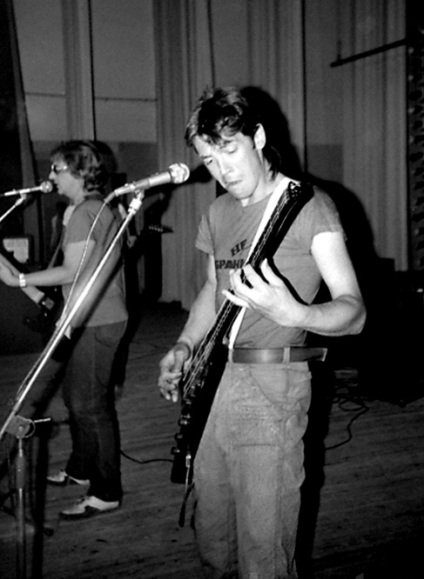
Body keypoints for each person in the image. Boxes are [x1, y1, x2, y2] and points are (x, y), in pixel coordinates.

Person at [157, 87, 366, 578]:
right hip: (212, 381)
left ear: (258, 137)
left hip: (271, 386)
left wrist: (293, 311)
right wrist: (185, 345)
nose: (222, 170)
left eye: (229, 150)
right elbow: (212, 292)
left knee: (264, 549)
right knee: (213, 534)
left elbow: (354, 312)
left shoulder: (309, 206)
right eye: (209, 160)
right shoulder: (217, 213)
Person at [0, 140, 128, 519]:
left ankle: (106, 491)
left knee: (91, 406)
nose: (51, 175)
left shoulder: (87, 211)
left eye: (57, 169)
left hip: (97, 319)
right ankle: (81, 469)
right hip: (84, 316)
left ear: (79, 172)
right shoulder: (86, 209)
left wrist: (20, 279)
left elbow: (72, 271)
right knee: (77, 401)